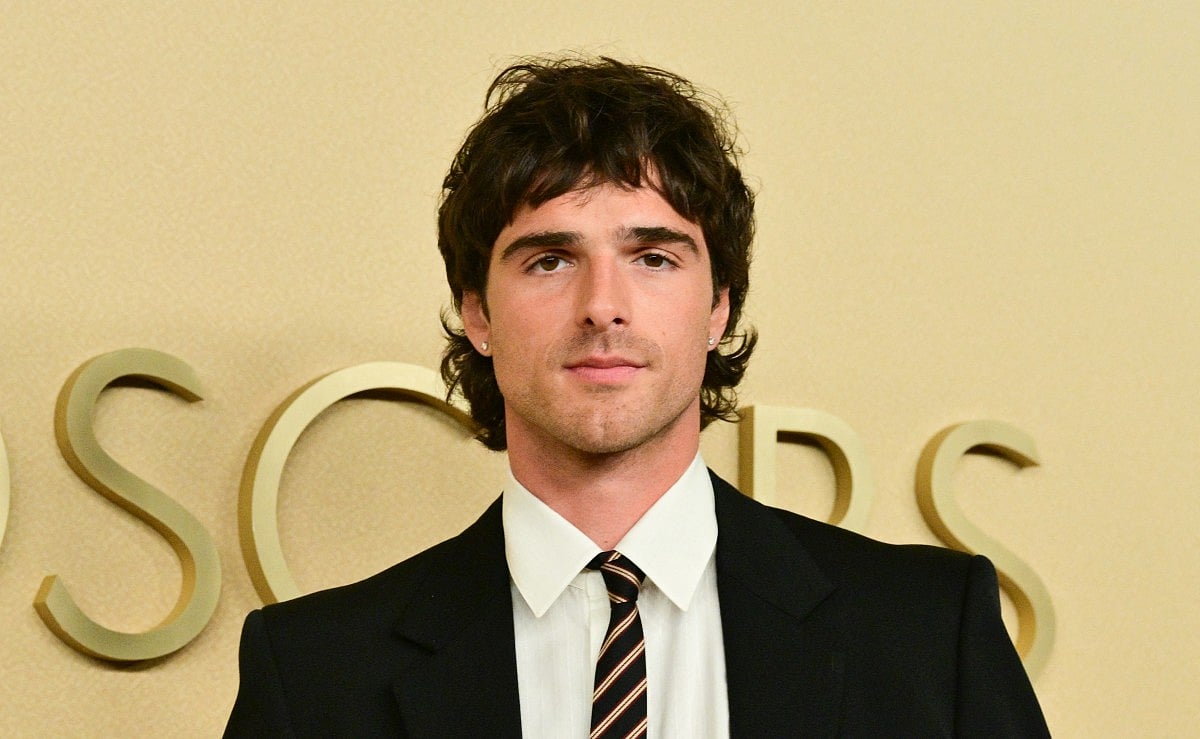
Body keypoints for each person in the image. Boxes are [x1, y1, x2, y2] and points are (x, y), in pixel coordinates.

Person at [225, 57, 1049, 738]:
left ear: (719, 305)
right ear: (477, 312)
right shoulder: (315, 675)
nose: (602, 305)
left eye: (653, 257)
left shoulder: (927, 632)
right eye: (550, 260)